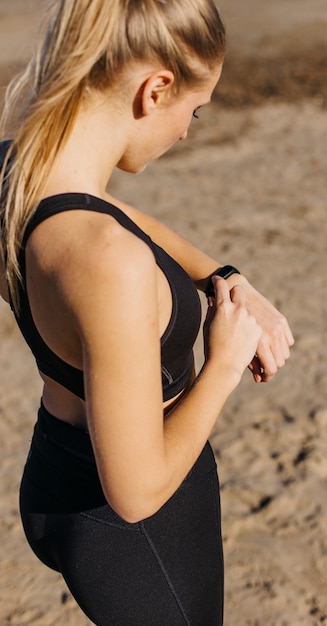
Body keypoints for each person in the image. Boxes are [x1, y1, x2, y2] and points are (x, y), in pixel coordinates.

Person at [0, 0, 294, 624]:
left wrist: (223, 275)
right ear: (155, 89)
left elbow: (110, 212)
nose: (187, 129)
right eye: (195, 109)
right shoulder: (112, 265)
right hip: (132, 532)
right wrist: (223, 363)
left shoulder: (15, 172)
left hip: (57, 459)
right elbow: (135, 495)